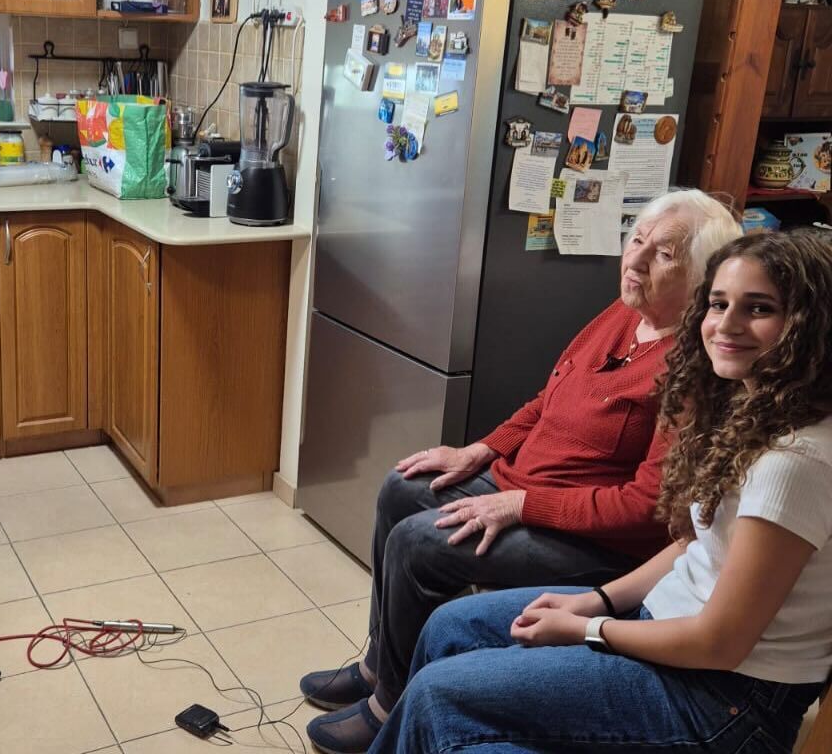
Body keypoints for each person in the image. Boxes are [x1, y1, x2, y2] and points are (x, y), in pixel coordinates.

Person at [301, 189, 743, 754]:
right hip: (527, 487)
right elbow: (548, 401)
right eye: (636, 240)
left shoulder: (693, 368)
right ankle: (381, 665)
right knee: (402, 488)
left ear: (703, 277)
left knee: (419, 544)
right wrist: (481, 450)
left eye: (663, 255)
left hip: (597, 540)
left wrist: (522, 505)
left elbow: (647, 507)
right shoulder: (622, 315)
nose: (635, 260)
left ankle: (389, 704)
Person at [371, 229, 832, 753]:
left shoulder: (795, 464)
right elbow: (694, 545)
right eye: (719, 303)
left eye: (759, 308)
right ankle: (387, 703)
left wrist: (589, 629)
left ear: (810, 324)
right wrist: (597, 602)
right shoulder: (748, 408)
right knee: (450, 627)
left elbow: (720, 643)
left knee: (438, 695)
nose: (726, 324)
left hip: (722, 698)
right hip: (666, 619)